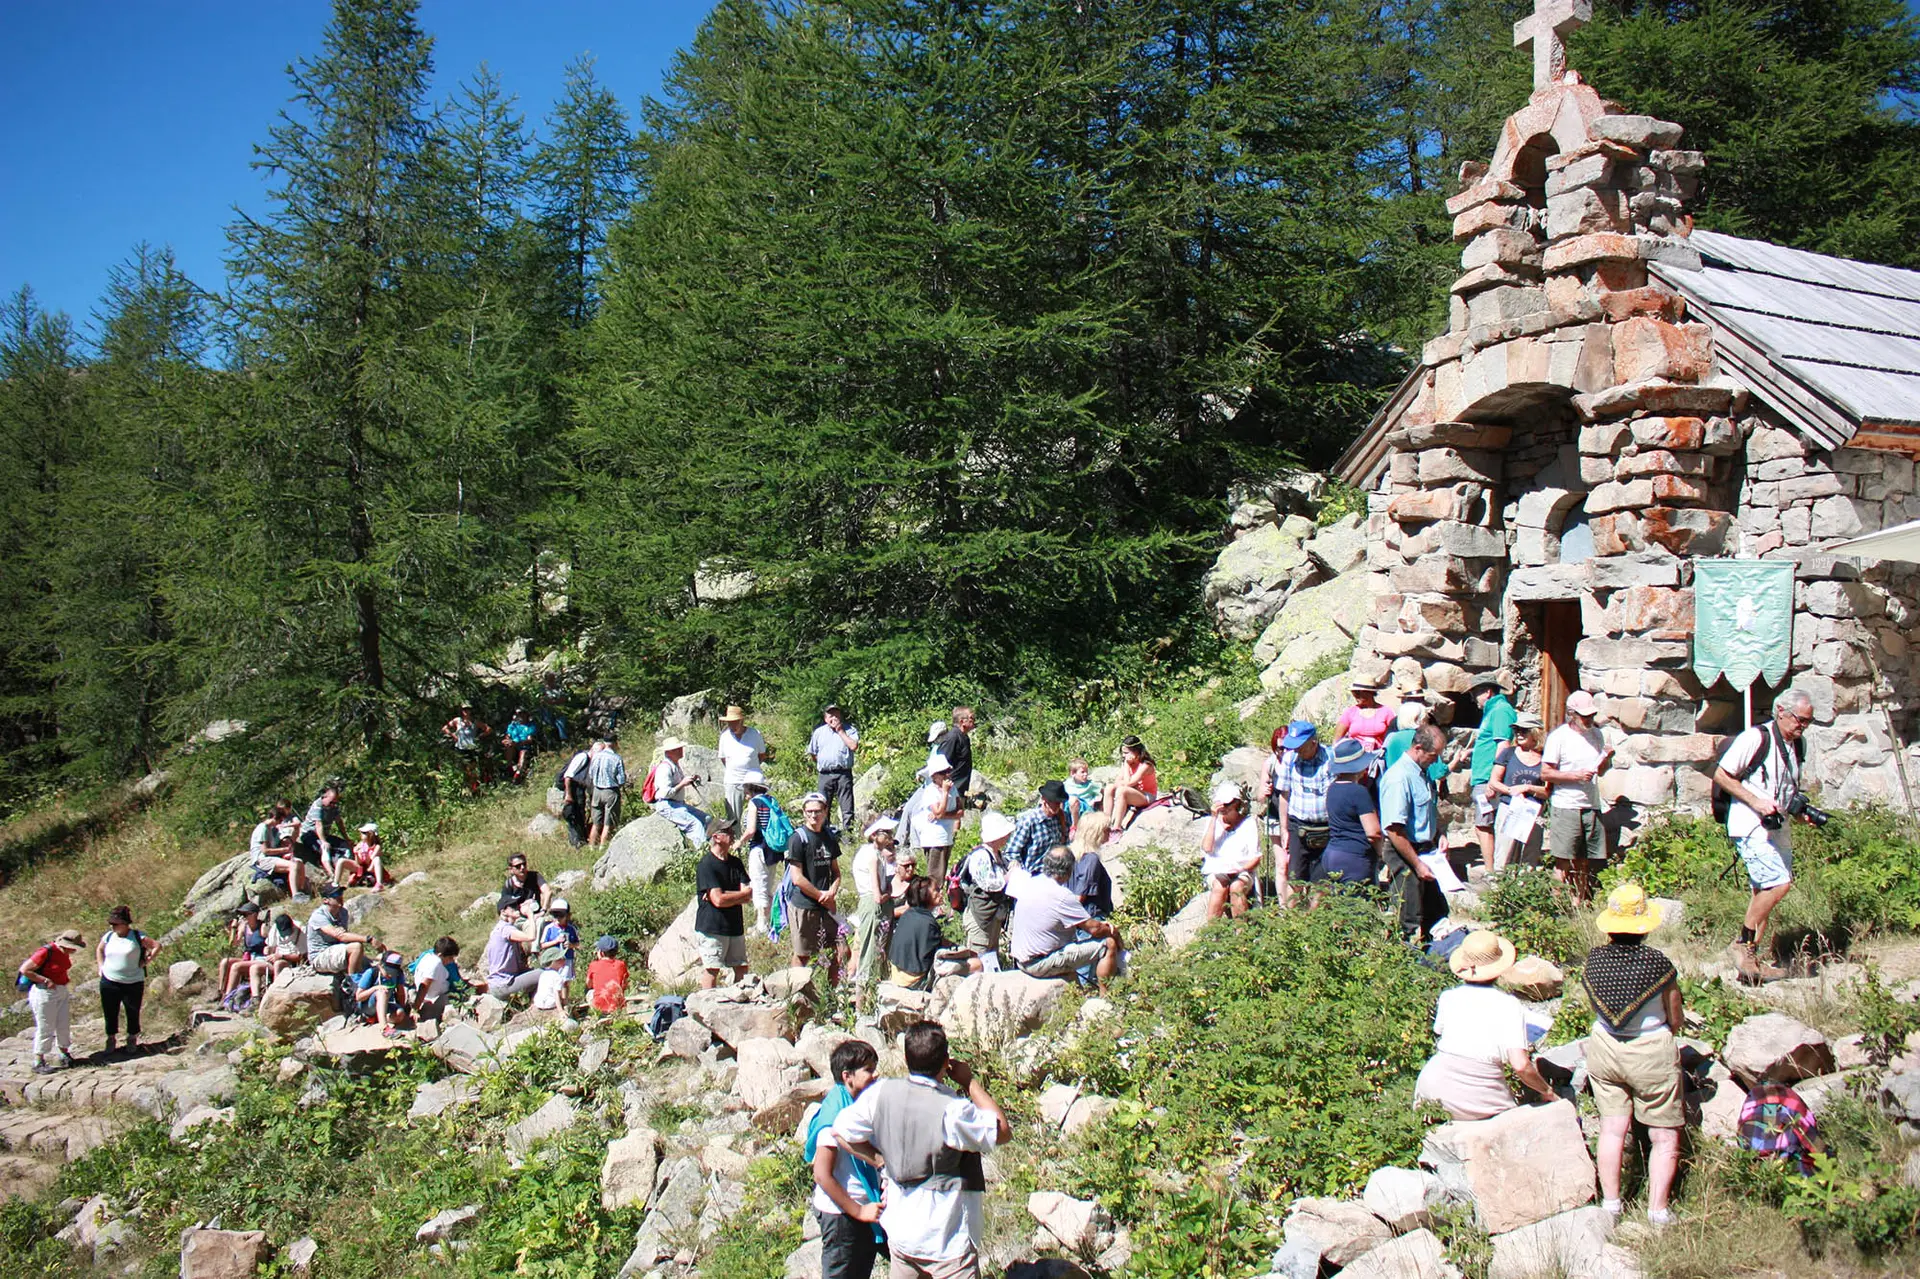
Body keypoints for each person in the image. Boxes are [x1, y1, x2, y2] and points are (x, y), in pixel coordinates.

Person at [829, 1020, 1011, 1279]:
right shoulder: (953, 1109)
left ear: (906, 1058)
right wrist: (970, 1082)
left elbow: (841, 1131)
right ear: (945, 1062)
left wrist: (880, 1161)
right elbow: (1002, 1131)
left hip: (902, 1233)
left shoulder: (881, 1093)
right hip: (946, 1240)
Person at [1582, 883, 1685, 1227]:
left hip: (1605, 1047)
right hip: (1650, 1049)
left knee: (1613, 1129)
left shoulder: (1594, 960)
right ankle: (1658, 1211)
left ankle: (1611, 1205)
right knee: (1663, 1134)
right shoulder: (1658, 964)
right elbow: (1675, 1015)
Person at [1713, 689, 1815, 984]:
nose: (1802, 726)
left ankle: (1751, 964)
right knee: (1778, 883)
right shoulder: (1756, 738)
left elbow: (1786, 788)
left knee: (1763, 892)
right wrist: (1755, 801)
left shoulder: (1798, 745)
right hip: (1751, 823)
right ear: (1781, 710)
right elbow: (1722, 775)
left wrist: (1799, 812)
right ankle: (1741, 943)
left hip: (1777, 824)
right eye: (1799, 720)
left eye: (1808, 722)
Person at [1414, 930, 1556, 1120]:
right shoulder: (1508, 1004)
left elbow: (1440, 1031)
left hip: (1432, 1083)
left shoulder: (1448, 997)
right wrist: (1547, 1091)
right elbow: (1520, 1065)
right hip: (1477, 1090)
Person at [808, 1039, 887, 1279]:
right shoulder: (835, 1115)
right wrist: (859, 1211)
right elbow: (821, 1174)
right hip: (843, 1215)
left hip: (863, 1209)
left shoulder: (856, 1106)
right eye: (868, 1070)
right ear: (847, 1076)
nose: (875, 1075)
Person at [1009, 848, 1122, 990]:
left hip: (1022, 960)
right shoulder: (1061, 895)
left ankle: (1080, 993)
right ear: (1069, 870)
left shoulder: (1031, 883)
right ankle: (1106, 997)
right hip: (1040, 962)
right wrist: (1114, 932)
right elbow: (1095, 929)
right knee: (1108, 944)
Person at [1541, 690, 1612, 904]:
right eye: (1584, 716)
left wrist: (1606, 759)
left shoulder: (1597, 734)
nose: (1589, 719)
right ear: (1572, 714)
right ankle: (1557, 905)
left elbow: (1601, 770)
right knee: (1564, 860)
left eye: (1591, 715)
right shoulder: (1559, 737)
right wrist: (1575, 776)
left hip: (1591, 804)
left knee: (1584, 860)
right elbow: (1545, 773)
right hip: (1567, 805)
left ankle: (1579, 903)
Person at [1379, 724, 1447, 942]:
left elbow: (1427, 809)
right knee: (1408, 915)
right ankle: (1406, 961)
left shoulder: (1422, 773)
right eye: (1433, 755)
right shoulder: (1399, 778)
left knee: (1435, 911)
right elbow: (1394, 829)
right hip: (1406, 851)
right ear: (1418, 748)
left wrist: (1439, 834)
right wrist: (1417, 864)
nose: (1436, 761)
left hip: (1425, 850)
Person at [1267, 720, 1332, 906]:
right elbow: (1284, 796)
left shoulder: (1330, 758)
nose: (1296, 751)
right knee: (1295, 880)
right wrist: (1284, 829)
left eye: (1300, 746)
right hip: (1298, 826)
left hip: (1325, 827)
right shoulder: (1289, 759)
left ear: (1313, 742)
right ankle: (1291, 923)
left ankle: (1313, 923)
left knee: (1322, 883)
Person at [789, 793, 847, 984]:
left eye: (818, 811)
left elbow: (836, 872)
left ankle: (831, 998)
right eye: (810, 812)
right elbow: (796, 877)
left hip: (826, 905)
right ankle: (796, 996)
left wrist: (832, 892)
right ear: (804, 813)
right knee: (803, 954)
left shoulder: (829, 837)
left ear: (825, 812)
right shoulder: (798, 839)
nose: (814, 816)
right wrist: (821, 896)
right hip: (804, 905)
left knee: (840, 950)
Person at [1317, 738, 1383, 896]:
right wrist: (1383, 853)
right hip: (1354, 859)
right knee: (1356, 912)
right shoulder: (1358, 792)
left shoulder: (1332, 789)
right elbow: (1373, 832)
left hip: (1331, 855)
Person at [1468, 674, 1519, 866]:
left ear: (1487, 692)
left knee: (1484, 825)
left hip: (1488, 778)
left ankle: (1492, 871)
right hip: (1485, 775)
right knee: (1485, 823)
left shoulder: (1500, 711)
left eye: (1475, 695)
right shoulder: (1494, 711)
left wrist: (1493, 779)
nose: (1474, 700)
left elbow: (1504, 745)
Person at [1488, 713, 1548, 869]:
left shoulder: (1546, 757)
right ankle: (1499, 889)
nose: (1519, 734)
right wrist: (1511, 791)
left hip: (1533, 811)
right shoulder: (1508, 753)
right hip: (1509, 808)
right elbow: (1494, 781)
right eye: (1517, 730)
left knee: (1530, 855)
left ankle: (1525, 889)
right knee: (1504, 852)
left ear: (1535, 733)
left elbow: (1549, 790)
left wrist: (1528, 788)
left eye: (1524, 730)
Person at [696, 827, 753, 988]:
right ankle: (706, 1006)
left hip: (735, 925)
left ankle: (740, 1000)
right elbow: (719, 901)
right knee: (712, 969)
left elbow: (748, 894)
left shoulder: (736, 863)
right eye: (728, 832)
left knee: (741, 966)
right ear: (716, 837)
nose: (733, 834)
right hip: (713, 927)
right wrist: (732, 896)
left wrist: (723, 894)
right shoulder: (706, 865)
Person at [97, 905, 159, 1053]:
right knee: (110, 1011)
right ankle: (111, 1038)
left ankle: (132, 1038)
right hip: (109, 980)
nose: (113, 927)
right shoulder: (109, 936)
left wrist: (146, 961)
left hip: (133, 982)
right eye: (111, 924)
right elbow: (99, 949)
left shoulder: (138, 936)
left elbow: (157, 946)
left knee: (132, 1010)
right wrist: (101, 966)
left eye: (116, 924)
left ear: (125, 924)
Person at [19, 929, 82, 1073]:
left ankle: (64, 1053)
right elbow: (25, 969)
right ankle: (39, 1060)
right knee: (46, 1026)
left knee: (63, 1023)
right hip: (44, 992)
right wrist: (45, 980)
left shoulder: (62, 953)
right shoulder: (46, 952)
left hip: (60, 990)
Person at [1199, 782, 1263, 919]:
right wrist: (1214, 818)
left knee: (1236, 888)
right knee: (1219, 887)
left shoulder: (1248, 823)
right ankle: (1212, 932)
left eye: (1227, 805)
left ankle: (1241, 933)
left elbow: (1256, 858)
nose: (1224, 808)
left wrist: (1239, 869)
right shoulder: (1213, 822)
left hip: (1242, 870)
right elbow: (1206, 848)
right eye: (1221, 804)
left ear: (1236, 804)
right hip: (1218, 870)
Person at [850, 816, 899, 985]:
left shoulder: (871, 853)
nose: (890, 835)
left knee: (875, 950)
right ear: (873, 835)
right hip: (872, 904)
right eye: (885, 833)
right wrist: (891, 892)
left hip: (870, 903)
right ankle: (863, 1001)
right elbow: (877, 896)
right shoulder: (872, 856)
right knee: (870, 952)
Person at [961, 812, 1015, 961]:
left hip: (993, 916)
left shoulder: (998, 855)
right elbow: (988, 883)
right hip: (980, 917)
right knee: (978, 957)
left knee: (991, 955)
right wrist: (1007, 877)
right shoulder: (980, 856)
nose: (1008, 837)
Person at [906, 755, 963, 892]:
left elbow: (960, 811)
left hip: (946, 836)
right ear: (935, 776)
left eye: (948, 771)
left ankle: (937, 900)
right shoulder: (931, 791)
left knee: (941, 873)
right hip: (934, 838)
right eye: (943, 772)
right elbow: (938, 812)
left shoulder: (952, 788)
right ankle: (933, 902)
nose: (947, 775)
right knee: (935, 875)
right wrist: (944, 793)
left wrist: (944, 816)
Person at [740, 771, 787, 934]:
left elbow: (751, 829)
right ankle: (773, 920)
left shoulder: (755, 803)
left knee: (758, 885)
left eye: (745, 788)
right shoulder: (771, 800)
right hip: (773, 850)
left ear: (750, 788)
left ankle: (762, 926)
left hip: (759, 848)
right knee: (767, 886)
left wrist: (739, 842)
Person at [718, 705, 773, 830]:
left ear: (741, 721)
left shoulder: (754, 734)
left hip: (754, 781)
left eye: (734, 722)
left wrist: (751, 768)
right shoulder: (724, 737)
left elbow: (762, 755)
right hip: (733, 781)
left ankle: (760, 842)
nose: (731, 725)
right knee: (733, 818)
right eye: (729, 722)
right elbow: (723, 758)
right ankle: (736, 844)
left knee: (760, 815)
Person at [646, 736, 710, 844]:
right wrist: (682, 784)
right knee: (695, 825)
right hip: (667, 805)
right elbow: (665, 793)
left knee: (707, 819)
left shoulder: (674, 765)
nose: (681, 750)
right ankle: (702, 852)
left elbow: (677, 784)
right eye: (677, 749)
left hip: (677, 804)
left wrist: (690, 780)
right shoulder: (665, 768)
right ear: (670, 752)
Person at [888, 877, 949, 989]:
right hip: (914, 980)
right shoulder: (929, 923)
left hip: (896, 973)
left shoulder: (908, 914)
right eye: (936, 890)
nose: (940, 893)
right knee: (974, 964)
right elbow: (941, 952)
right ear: (925, 895)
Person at [809, 703, 861, 829]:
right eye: (830, 715)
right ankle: (824, 833)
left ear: (840, 716)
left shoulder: (850, 730)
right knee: (822, 806)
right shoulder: (818, 733)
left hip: (843, 773)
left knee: (847, 807)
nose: (833, 717)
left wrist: (840, 731)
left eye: (835, 714)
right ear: (825, 718)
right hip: (825, 774)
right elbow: (813, 753)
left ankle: (848, 835)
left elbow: (853, 746)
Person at [1002, 781, 1070, 874]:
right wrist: (1020, 871)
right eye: (1052, 801)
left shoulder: (1062, 819)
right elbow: (1011, 852)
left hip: (1056, 874)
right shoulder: (1029, 821)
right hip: (1032, 875)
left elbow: (1066, 844)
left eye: (1058, 802)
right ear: (1043, 800)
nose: (1055, 805)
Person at [248, 799, 308, 901]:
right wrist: (283, 850)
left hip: (271, 857)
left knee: (299, 863)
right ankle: (295, 895)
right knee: (292, 866)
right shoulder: (263, 829)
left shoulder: (271, 829)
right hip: (261, 860)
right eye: (280, 821)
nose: (280, 823)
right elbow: (265, 850)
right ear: (275, 818)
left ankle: (302, 890)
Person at [307, 886, 370, 978]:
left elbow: (344, 937)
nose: (340, 897)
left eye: (341, 893)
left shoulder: (343, 912)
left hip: (337, 949)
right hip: (320, 955)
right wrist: (368, 939)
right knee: (356, 947)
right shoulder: (319, 916)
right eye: (335, 895)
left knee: (369, 964)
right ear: (326, 900)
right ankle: (352, 981)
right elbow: (341, 936)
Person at [219, 903, 272, 1012]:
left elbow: (270, 941)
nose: (244, 917)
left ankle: (228, 998)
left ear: (255, 915)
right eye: (242, 914)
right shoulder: (244, 927)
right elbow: (233, 944)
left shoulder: (262, 927)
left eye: (246, 914)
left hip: (261, 958)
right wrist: (234, 929)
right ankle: (221, 992)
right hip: (249, 958)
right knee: (225, 962)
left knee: (236, 966)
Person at [1102, 736, 1158, 835]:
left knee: (1122, 791)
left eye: (1126, 753)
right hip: (1135, 791)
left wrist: (1127, 766)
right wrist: (1126, 768)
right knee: (1110, 788)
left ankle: (1117, 828)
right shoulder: (1128, 762)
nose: (1124, 756)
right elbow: (1118, 780)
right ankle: (1106, 821)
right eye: (1123, 753)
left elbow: (1129, 783)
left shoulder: (1146, 765)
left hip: (1147, 795)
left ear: (1136, 751)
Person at [484, 904, 541, 998]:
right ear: (503, 912)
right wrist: (530, 915)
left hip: (497, 984)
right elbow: (531, 937)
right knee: (544, 973)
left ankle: (527, 1003)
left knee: (533, 973)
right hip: (504, 984)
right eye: (513, 907)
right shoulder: (506, 929)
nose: (517, 908)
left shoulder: (499, 929)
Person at [299, 784, 352, 879]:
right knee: (324, 847)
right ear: (325, 797)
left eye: (335, 802)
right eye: (331, 802)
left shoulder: (334, 807)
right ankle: (330, 872)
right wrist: (323, 841)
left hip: (324, 834)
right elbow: (318, 825)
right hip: (310, 834)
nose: (333, 805)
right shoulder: (318, 806)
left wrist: (346, 838)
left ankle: (350, 870)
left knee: (345, 846)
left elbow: (339, 822)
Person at [1067, 814, 1114, 919]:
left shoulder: (1069, 853)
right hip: (1090, 917)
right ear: (1097, 833)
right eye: (1107, 829)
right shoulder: (1091, 859)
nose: (1110, 832)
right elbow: (1080, 895)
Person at [354, 951, 412, 1032]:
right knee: (381, 992)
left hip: (386, 1004)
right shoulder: (371, 972)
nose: (391, 973)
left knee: (399, 1014)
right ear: (382, 966)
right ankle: (384, 1027)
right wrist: (375, 988)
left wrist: (402, 1009)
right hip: (367, 1006)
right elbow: (359, 997)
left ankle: (379, 1018)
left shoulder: (398, 974)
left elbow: (400, 993)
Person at [588, 734, 629, 849]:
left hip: (596, 791)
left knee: (596, 822)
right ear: (615, 743)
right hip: (610, 791)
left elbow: (591, 774)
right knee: (608, 822)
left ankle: (591, 847)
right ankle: (602, 847)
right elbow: (621, 779)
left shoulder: (596, 756)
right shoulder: (617, 758)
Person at [413, 936, 465, 1023]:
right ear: (440, 955)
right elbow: (424, 986)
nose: (451, 961)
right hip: (433, 1000)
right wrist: (415, 1009)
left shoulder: (427, 956)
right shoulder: (435, 964)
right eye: (450, 958)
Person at [558, 739, 600, 848]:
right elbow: (568, 776)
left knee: (580, 814)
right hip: (573, 788)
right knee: (572, 814)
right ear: (593, 750)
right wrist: (568, 794)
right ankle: (575, 843)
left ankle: (580, 841)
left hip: (581, 789)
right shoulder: (582, 757)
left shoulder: (593, 763)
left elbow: (589, 783)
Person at [933, 708, 977, 807]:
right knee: (952, 819)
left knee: (957, 818)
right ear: (962, 721)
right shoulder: (953, 738)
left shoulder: (964, 737)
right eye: (971, 718)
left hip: (959, 789)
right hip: (951, 790)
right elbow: (940, 763)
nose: (974, 720)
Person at [443, 705, 490, 796]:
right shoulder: (457, 720)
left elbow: (488, 729)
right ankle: (462, 791)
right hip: (460, 748)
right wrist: (453, 735)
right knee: (462, 770)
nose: (466, 711)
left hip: (471, 749)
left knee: (471, 770)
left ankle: (473, 790)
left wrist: (480, 736)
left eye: (468, 709)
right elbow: (445, 728)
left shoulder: (474, 722)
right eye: (464, 709)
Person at [1337, 677, 1395, 751]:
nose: (1355, 696)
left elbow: (1394, 736)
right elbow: (1337, 740)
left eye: (1358, 693)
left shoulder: (1386, 712)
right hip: (1354, 756)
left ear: (1369, 693)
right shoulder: (1350, 712)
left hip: (1379, 755)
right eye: (1354, 693)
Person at [336, 821, 391, 890]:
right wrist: (356, 853)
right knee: (341, 861)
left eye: (364, 833)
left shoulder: (376, 847)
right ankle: (336, 884)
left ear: (370, 835)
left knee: (377, 859)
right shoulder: (360, 844)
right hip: (361, 868)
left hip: (371, 868)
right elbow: (358, 862)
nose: (361, 834)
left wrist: (364, 852)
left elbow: (369, 860)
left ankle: (379, 884)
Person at [537, 898, 580, 979]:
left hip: (567, 959)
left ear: (567, 915)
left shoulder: (571, 929)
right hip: (553, 960)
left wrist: (571, 945)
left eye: (561, 915)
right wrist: (556, 941)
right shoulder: (549, 928)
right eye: (555, 915)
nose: (558, 918)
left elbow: (578, 944)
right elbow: (542, 945)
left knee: (565, 982)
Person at [587, 936, 630, 1015]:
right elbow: (625, 984)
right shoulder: (621, 964)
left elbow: (589, 984)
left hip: (599, 1006)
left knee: (590, 992)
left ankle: (596, 1013)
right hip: (617, 1004)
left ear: (601, 953)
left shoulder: (594, 965)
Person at [1062, 759, 1100, 832]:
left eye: (1086, 772)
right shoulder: (1067, 784)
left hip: (1084, 809)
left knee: (1074, 800)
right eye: (1082, 772)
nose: (1085, 774)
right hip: (1068, 809)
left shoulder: (1090, 785)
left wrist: (1095, 802)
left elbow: (1101, 792)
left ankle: (1074, 827)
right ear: (1073, 773)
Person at [503, 707, 537, 784]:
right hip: (513, 745)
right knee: (509, 747)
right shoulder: (513, 725)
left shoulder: (530, 726)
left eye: (521, 714)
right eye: (518, 714)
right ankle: (509, 768)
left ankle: (518, 774)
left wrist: (518, 743)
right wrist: (507, 740)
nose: (520, 716)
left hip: (524, 746)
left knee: (524, 753)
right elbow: (508, 735)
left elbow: (530, 740)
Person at [531, 946, 570, 1011]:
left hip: (538, 1002)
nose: (564, 960)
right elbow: (556, 994)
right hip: (549, 1003)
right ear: (554, 962)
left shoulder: (543, 973)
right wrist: (561, 1010)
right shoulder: (557, 976)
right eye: (561, 958)